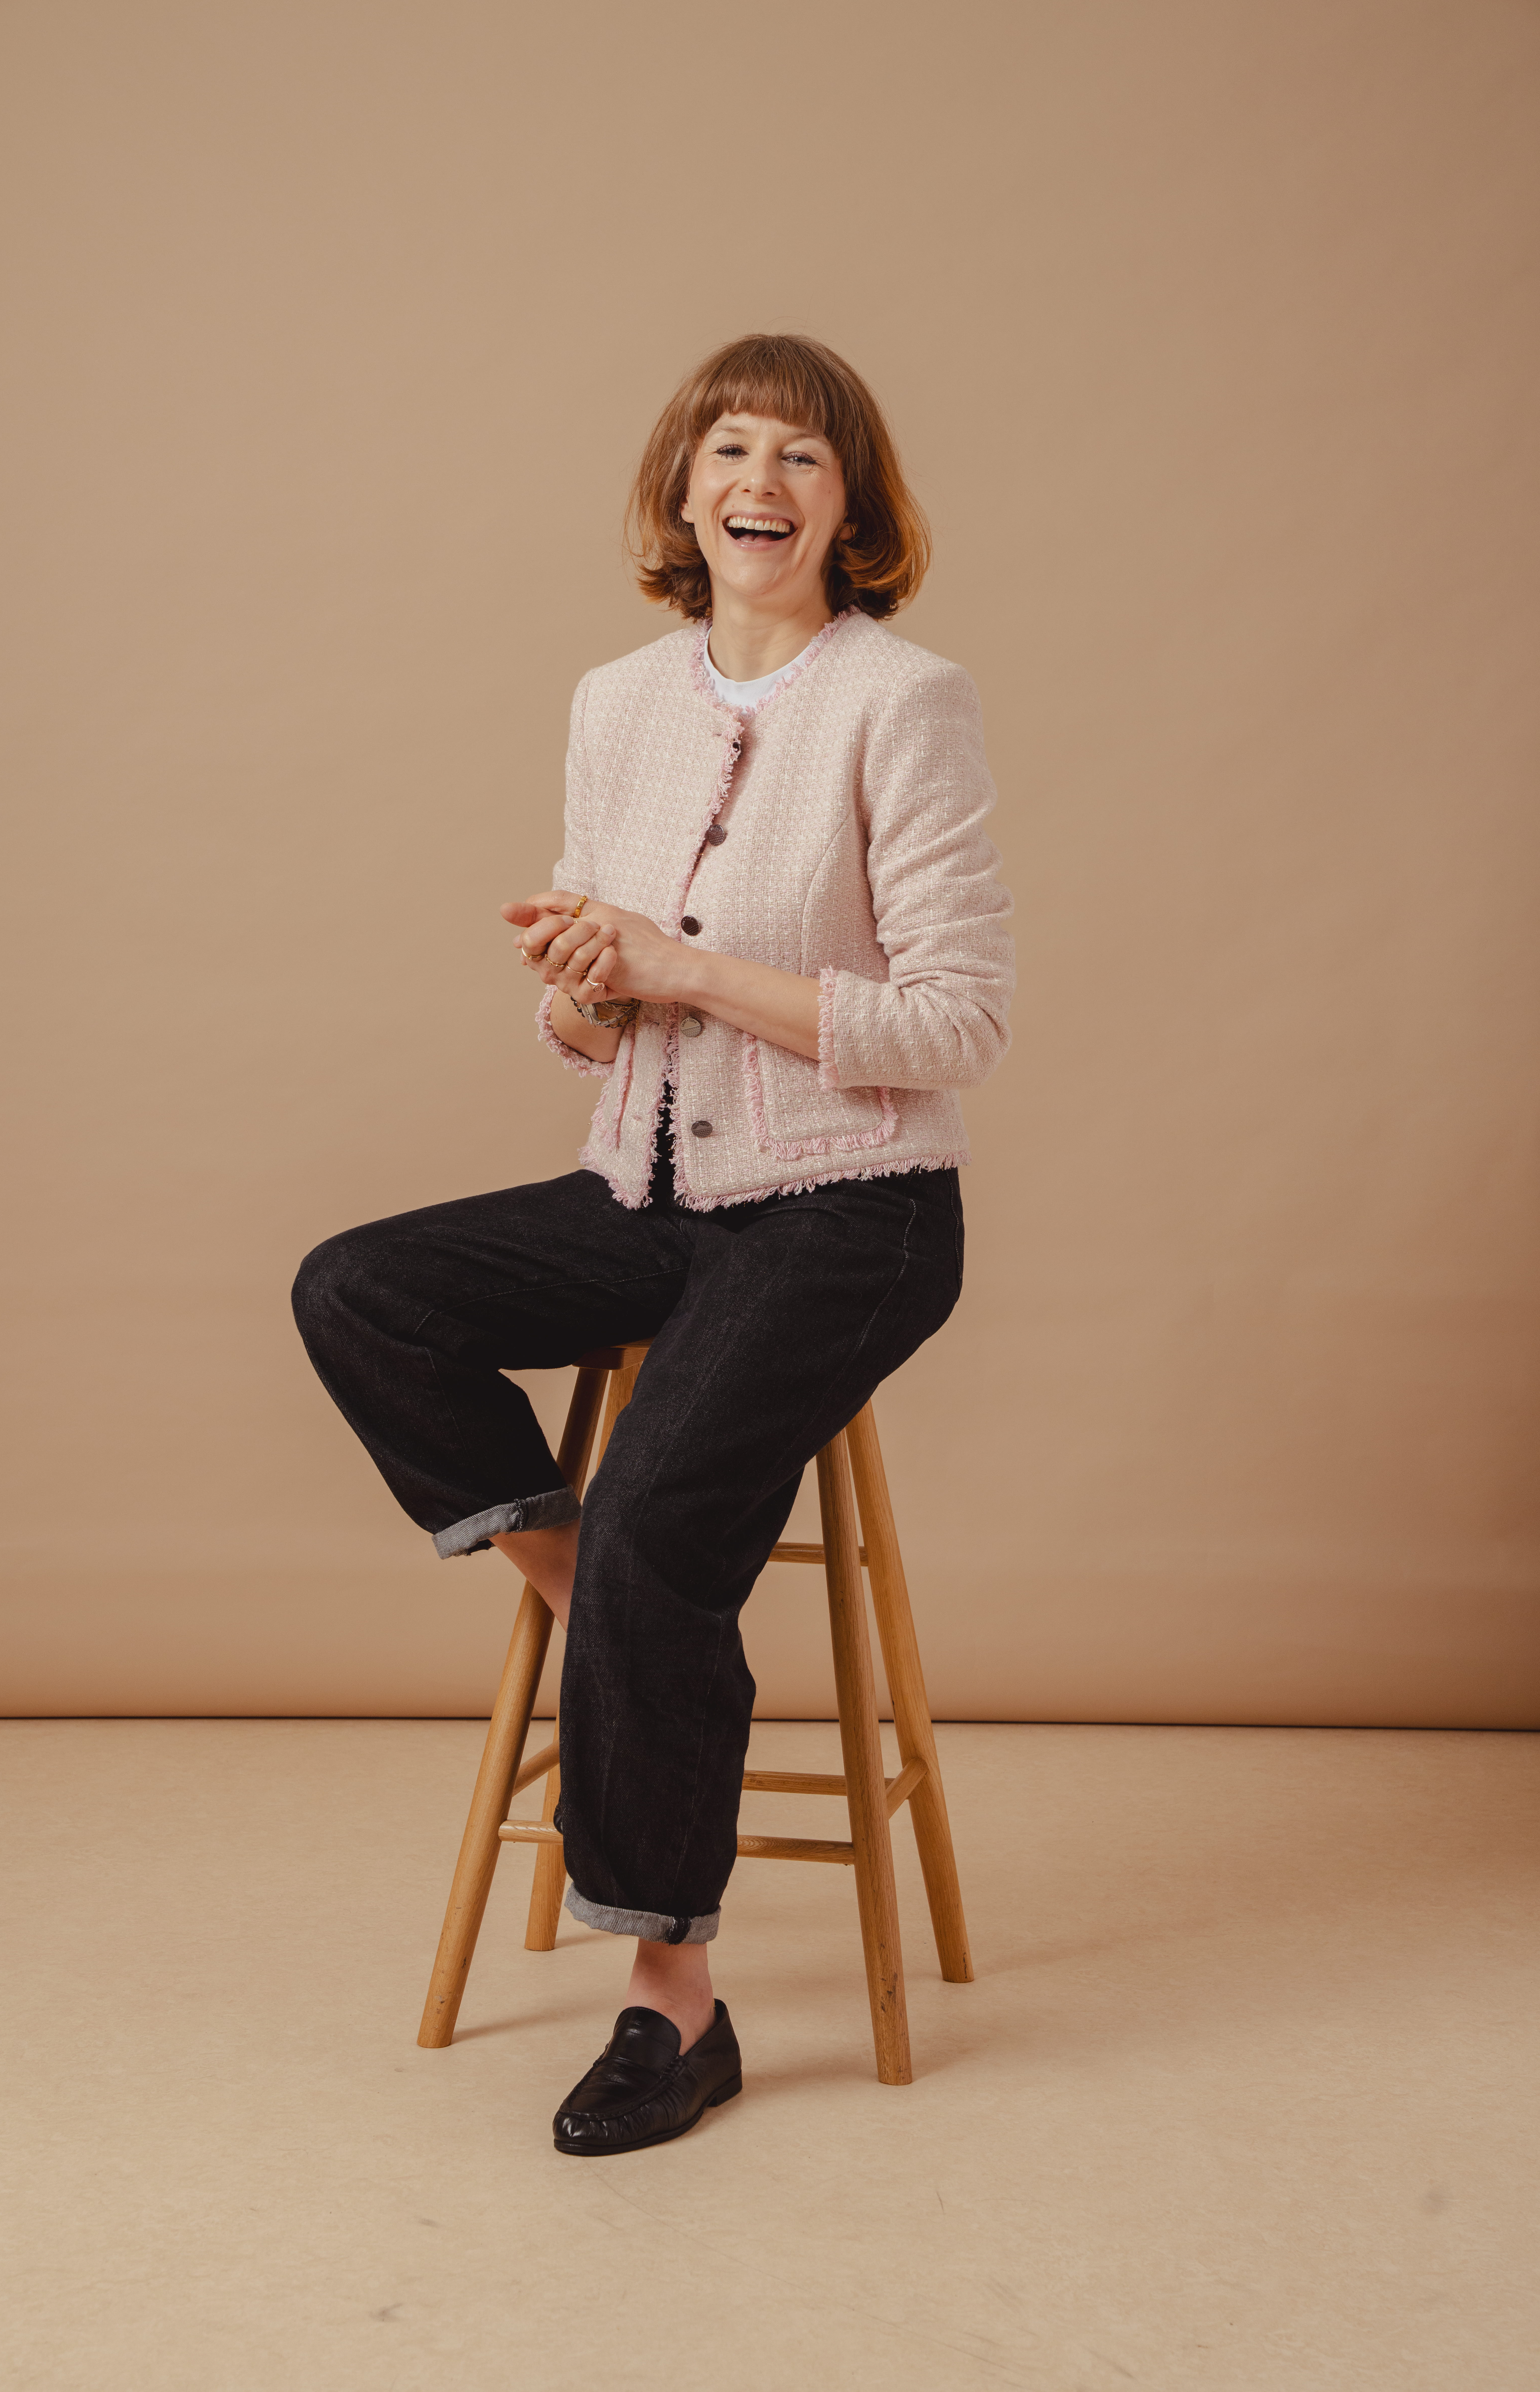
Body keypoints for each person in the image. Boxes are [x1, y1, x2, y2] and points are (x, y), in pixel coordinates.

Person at [292, 332, 1014, 2154]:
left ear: (854, 510)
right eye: (728, 449)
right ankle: (612, 1603)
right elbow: (596, 1033)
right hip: (643, 1194)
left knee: (659, 1543)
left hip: (850, 1216)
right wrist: (585, 991)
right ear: (684, 491)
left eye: (802, 458)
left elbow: (956, 1025)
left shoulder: (903, 700)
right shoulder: (617, 701)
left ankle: (671, 2006)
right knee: (358, 1288)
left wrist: (683, 964)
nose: (758, 482)